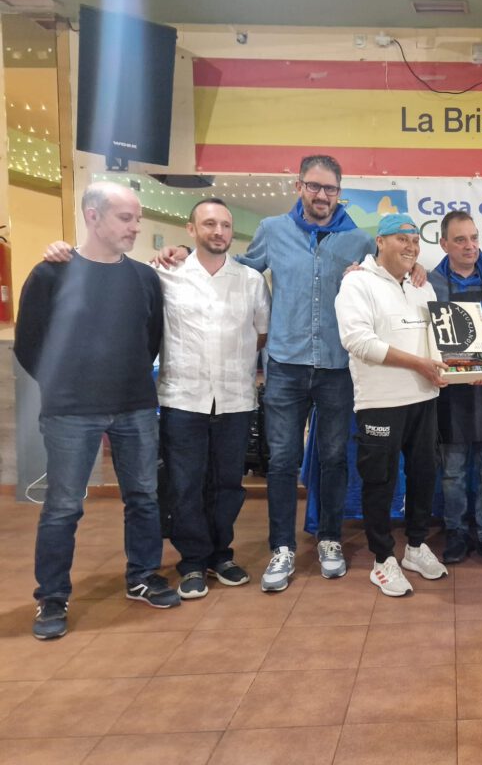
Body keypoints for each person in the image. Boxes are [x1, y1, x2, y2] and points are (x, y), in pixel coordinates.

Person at [15, 182, 179, 640]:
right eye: (126, 218)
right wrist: (64, 386)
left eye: (136, 218)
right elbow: (29, 344)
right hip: (71, 412)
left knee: (143, 497)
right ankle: (52, 596)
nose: (136, 227)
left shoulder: (144, 278)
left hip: (135, 407)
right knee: (63, 506)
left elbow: (151, 338)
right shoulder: (51, 274)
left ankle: (143, 576)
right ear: (93, 216)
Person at [233, 155, 375, 591]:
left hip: (337, 368)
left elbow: (386, 279)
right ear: (299, 186)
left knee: (333, 458)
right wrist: (187, 256)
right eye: (314, 186)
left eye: (330, 188)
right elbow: (240, 270)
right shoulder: (272, 230)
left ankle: (329, 538)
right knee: (282, 460)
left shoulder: (359, 241)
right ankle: (282, 547)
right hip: (285, 365)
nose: (322, 195)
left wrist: (416, 268)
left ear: (339, 192)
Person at [154, 199, 271, 597]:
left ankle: (221, 554)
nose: (218, 231)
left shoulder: (250, 281)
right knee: (186, 484)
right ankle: (192, 561)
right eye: (209, 224)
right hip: (182, 398)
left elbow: (261, 332)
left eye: (225, 225)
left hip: (235, 399)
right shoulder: (166, 275)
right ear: (191, 230)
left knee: (227, 485)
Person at [336, 213, 450, 596]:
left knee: (423, 476)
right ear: (380, 241)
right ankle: (382, 558)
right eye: (402, 238)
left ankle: (415, 547)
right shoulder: (357, 283)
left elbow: (436, 343)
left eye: (415, 240)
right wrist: (418, 363)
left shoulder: (422, 286)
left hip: (424, 397)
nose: (411, 246)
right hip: (380, 402)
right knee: (380, 482)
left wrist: (464, 369)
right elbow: (358, 341)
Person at [427, 211, 482, 567]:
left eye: (474, 238)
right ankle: (457, 532)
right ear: (444, 243)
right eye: (460, 239)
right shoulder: (428, 284)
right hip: (450, 393)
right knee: (453, 471)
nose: (470, 246)